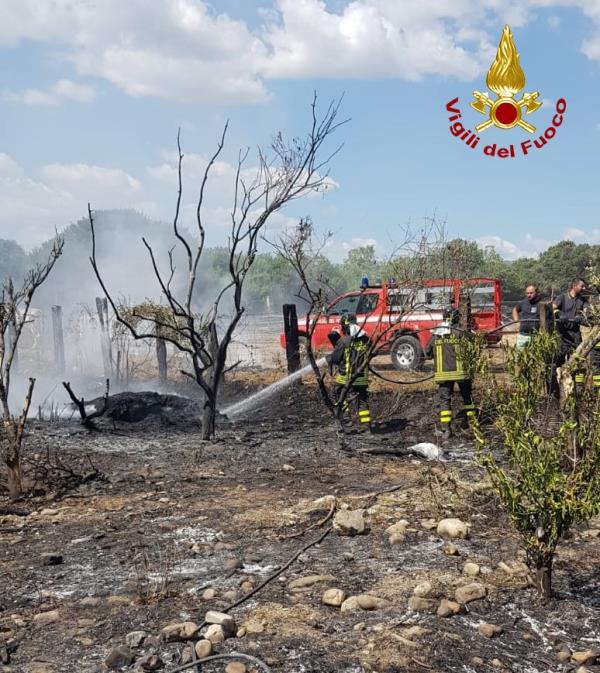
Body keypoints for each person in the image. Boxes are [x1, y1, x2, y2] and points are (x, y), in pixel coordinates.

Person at [432, 306, 476, 440]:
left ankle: (446, 430)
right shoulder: (461, 333)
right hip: (462, 373)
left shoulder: (436, 334)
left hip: (443, 374)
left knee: (445, 402)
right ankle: (473, 425)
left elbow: (427, 352)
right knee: (468, 399)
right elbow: (473, 346)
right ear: (457, 318)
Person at [327, 314, 372, 432]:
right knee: (361, 399)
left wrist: (329, 358)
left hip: (346, 377)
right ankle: (365, 425)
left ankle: (346, 419)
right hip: (362, 377)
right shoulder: (366, 339)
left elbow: (336, 359)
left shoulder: (343, 341)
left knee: (336, 393)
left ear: (345, 327)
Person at [553, 279, 588, 390]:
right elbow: (551, 308)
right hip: (562, 335)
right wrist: (559, 314)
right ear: (574, 286)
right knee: (557, 360)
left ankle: (578, 389)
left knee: (579, 362)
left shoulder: (583, 300)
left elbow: (588, 314)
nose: (584, 288)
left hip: (575, 335)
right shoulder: (562, 298)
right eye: (582, 286)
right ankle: (555, 388)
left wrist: (582, 318)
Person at [512, 284, 541, 349]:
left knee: (535, 357)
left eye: (531, 293)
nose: (529, 295)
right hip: (523, 335)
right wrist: (516, 322)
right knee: (520, 356)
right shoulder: (523, 302)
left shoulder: (541, 303)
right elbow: (515, 309)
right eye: (527, 293)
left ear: (536, 292)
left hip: (536, 336)